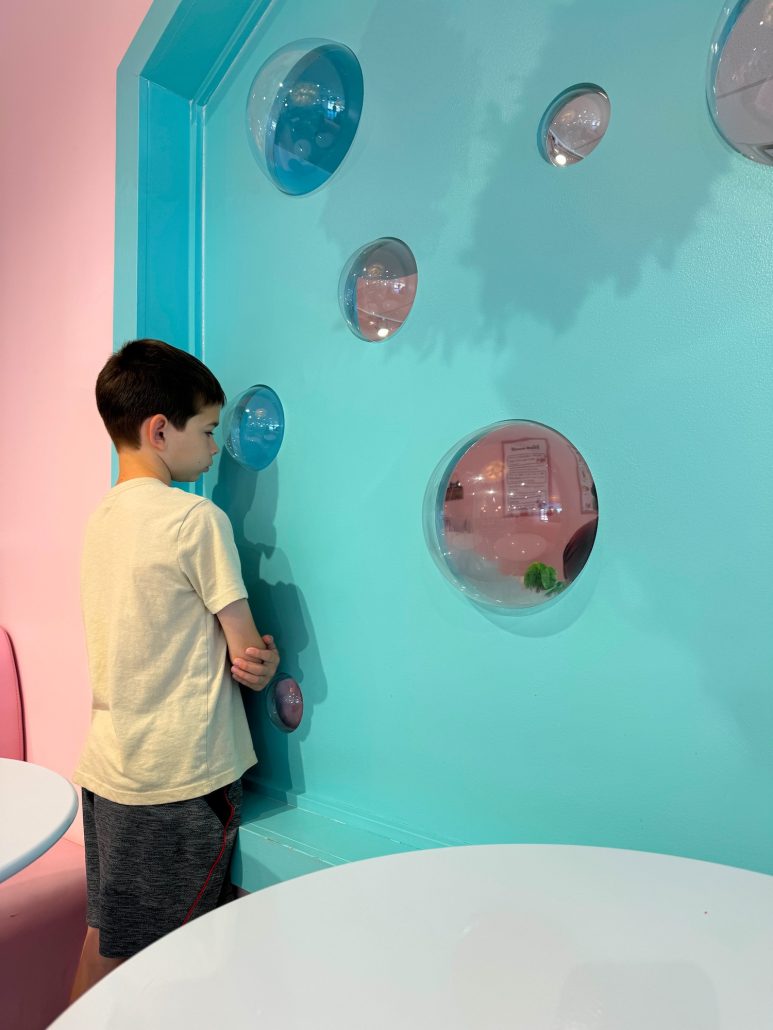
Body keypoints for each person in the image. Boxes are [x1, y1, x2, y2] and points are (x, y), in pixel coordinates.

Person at [69, 339, 279, 1002]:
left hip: (108, 773)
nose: (215, 449)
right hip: (174, 785)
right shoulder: (195, 519)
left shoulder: (101, 519)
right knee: (154, 978)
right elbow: (246, 657)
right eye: (209, 430)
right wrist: (263, 662)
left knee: (105, 943)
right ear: (160, 431)